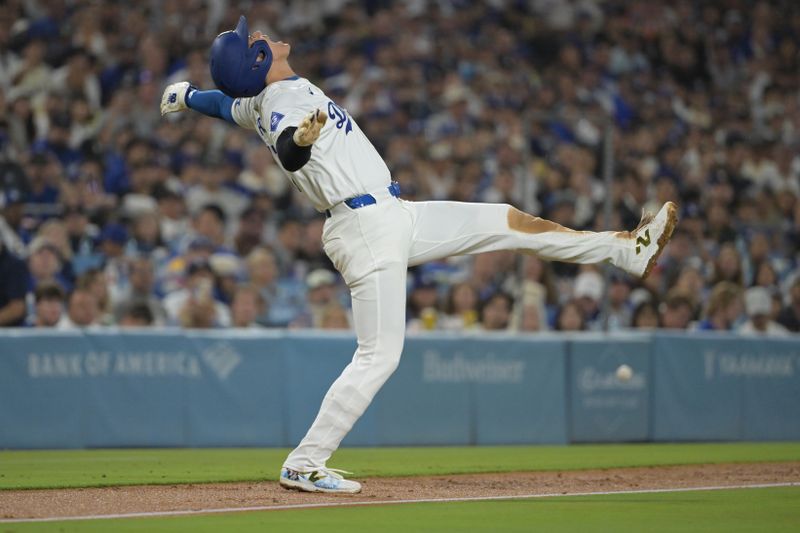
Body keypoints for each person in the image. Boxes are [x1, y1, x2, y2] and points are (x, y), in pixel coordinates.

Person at [160, 16, 678, 494]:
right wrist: (299, 139)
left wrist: (186, 97)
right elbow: (291, 148)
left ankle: (624, 251)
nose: (263, 37)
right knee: (380, 355)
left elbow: (222, 104)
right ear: (256, 63)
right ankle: (304, 462)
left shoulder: (259, 98)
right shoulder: (278, 105)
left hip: (393, 214)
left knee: (506, 220)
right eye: (254, 42)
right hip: (363, 225)